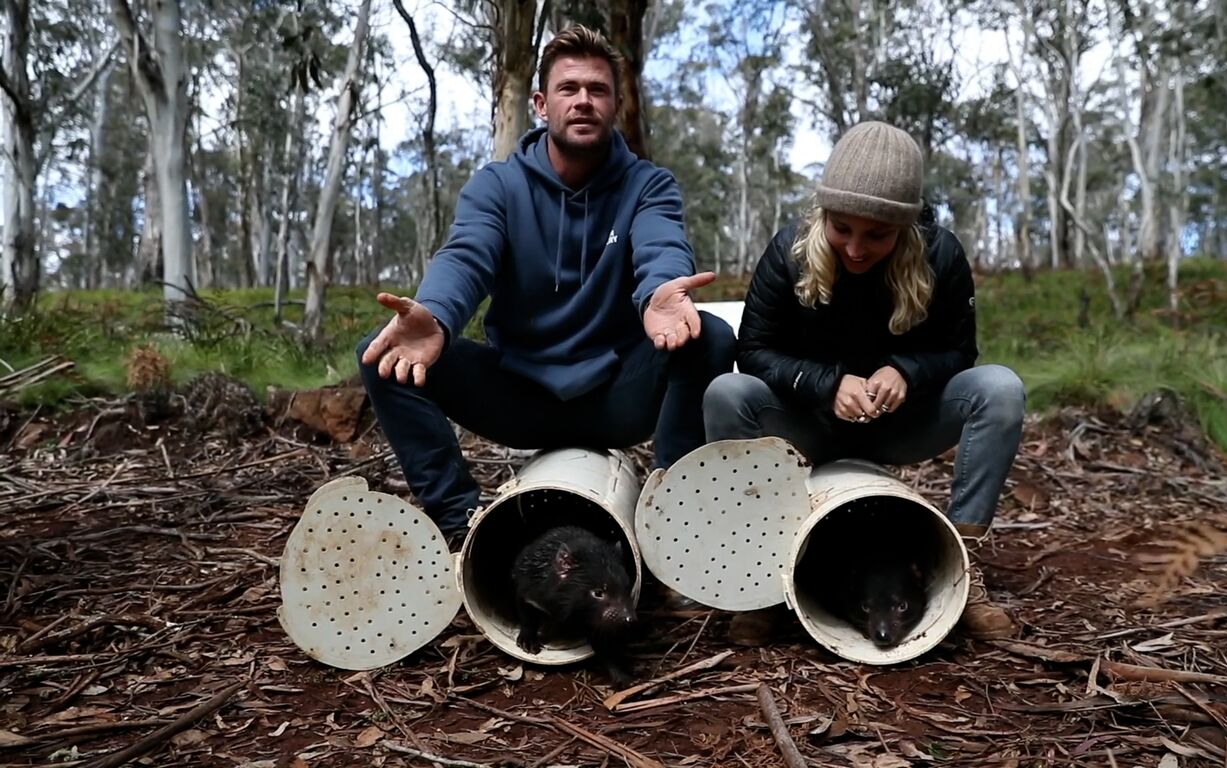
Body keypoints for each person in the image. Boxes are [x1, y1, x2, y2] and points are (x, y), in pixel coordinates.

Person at [357, 25, 736, 547]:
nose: (583, 101)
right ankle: (464, 529)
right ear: (541, 103)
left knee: (710, 336)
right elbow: (468, 254)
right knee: (383, 355)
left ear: (617, 105)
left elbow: (660, 246)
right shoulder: (498, 186)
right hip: (521, 394)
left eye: (598, 90)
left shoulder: (648, 185)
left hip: (614, 395)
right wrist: (438, 313)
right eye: (569, 88)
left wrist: (659, 293)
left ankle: (670, 524)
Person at [703, 121, 1024, 641]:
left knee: (1000, 389)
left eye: (877, 234)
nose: (855, 248)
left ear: (908, 225)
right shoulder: (789, 252)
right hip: (809, 422)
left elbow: (959, 352)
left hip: (900, 425)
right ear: (822, 214)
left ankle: (962, 569)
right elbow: (754, 352)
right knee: (727, 393)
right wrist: (827, 383)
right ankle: (759, 576)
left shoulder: (941, 255)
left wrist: (907, 371)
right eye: (841, 228)